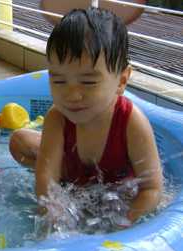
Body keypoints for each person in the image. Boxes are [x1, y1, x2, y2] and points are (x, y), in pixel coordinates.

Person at [9, 7, 163, 224]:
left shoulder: (131, 122)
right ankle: (69, 174)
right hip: (74, 176)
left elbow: (152, 188)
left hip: (116, 191)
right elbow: (46, 180)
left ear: (121, 81)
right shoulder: (57, 117)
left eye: (89, 82)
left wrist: (124, 222)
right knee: (18, 141)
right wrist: (54, 216)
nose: (72, 95)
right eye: (59, 81)